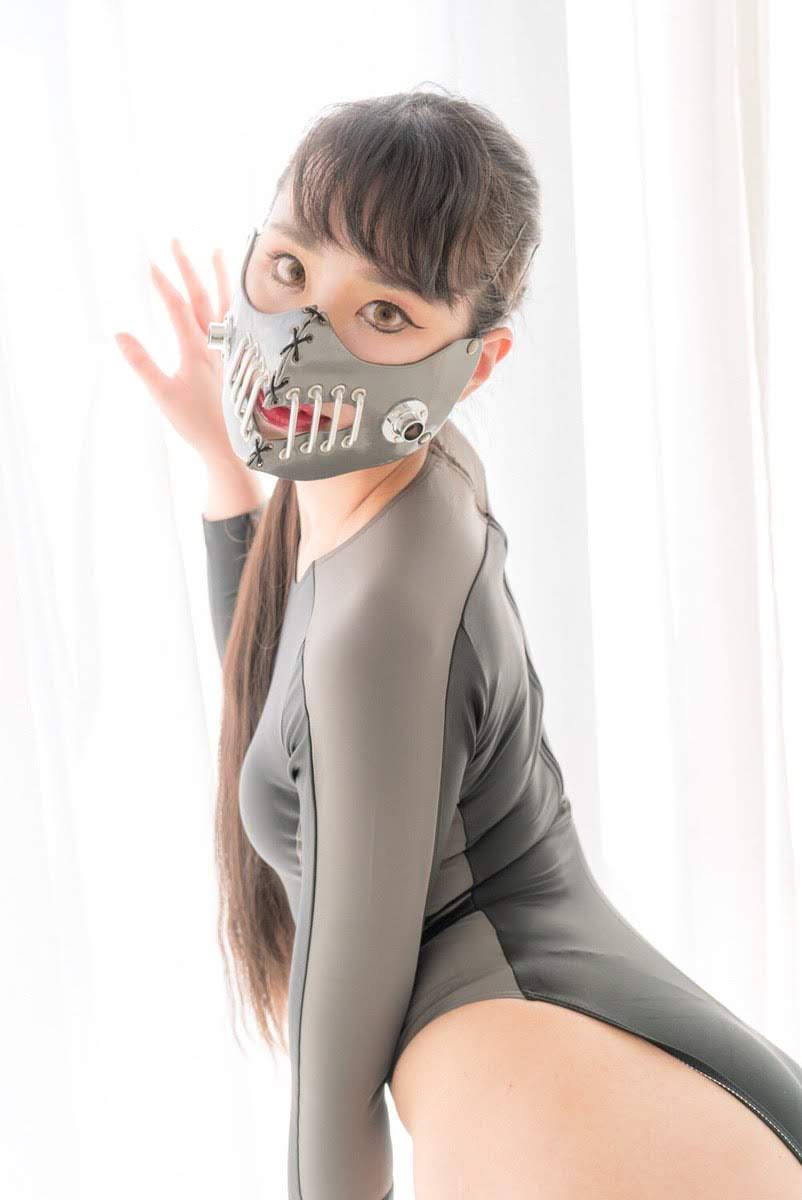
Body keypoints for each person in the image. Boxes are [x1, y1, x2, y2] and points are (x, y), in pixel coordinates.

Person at [115, 88, 802, 1199]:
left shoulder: (385, 608)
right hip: (593, 1058)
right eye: (289, 268)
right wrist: (223, 472)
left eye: (384, 313)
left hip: (555, 1102)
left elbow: (339, 1052)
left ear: (473, 366)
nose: (298, 339)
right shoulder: (386, 483)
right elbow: (285, 698)